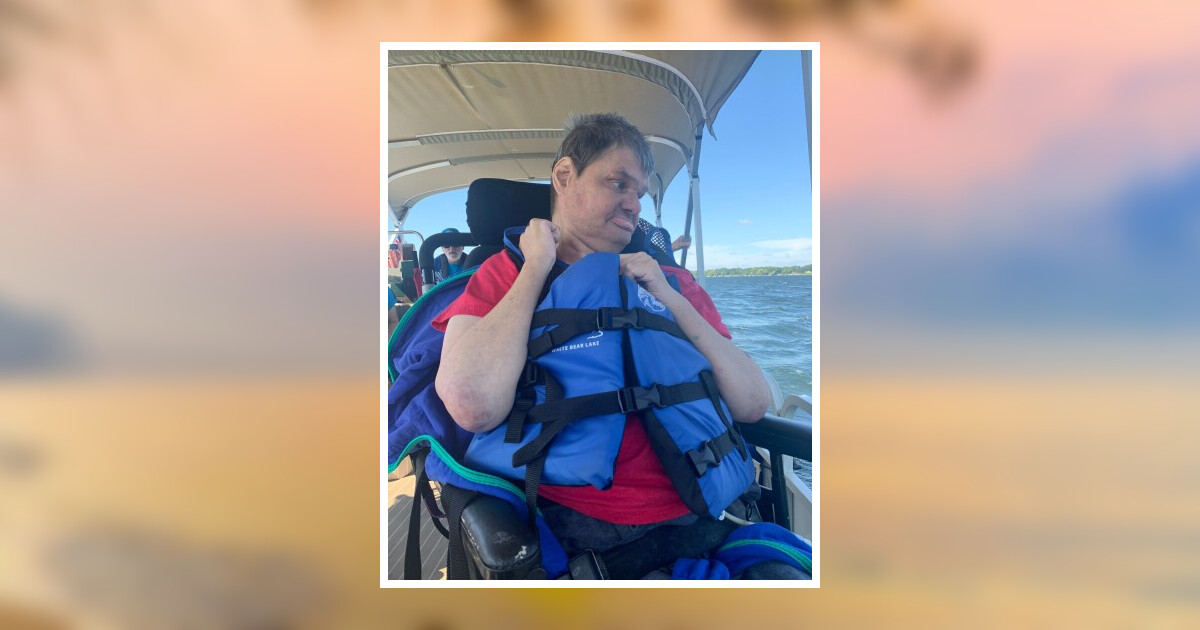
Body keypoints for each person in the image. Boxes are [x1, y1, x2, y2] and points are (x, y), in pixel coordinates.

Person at [432, 113, 791, 578]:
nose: (634, 205)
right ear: (565, 176)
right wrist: (537, 266)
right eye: (618, 183)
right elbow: (471, 405)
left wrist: (669, 298)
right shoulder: (506, 273)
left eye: (639, 193)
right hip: (581, 541)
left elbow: (752, 402)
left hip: (712, 521)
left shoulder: (675, 281)